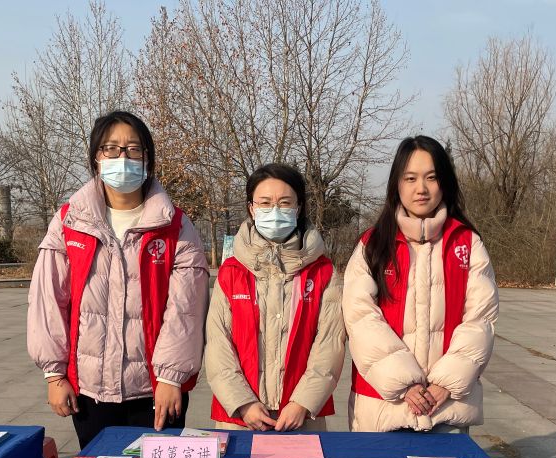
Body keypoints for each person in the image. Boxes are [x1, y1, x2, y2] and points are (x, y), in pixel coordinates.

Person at [28, 111, 209, 448]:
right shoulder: (70, 222)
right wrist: (54, 374)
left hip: (156, 390)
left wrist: (171, 378)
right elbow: (48, 301)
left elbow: (186, 309)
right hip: (89, 391)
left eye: (133, 149)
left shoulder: (174, 226)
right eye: (110, 148)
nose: (122, 157)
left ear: (147, 159)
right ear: (96, 158)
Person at [343, 135, 498, 432]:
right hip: (383, 406)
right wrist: (404, 383)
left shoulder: (467, 243)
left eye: (431, 177)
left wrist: (445, 383)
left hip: (447, 407)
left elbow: (481, 319)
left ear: (445, 182)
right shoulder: (373, 245)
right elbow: (359, 317)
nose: (421, 188)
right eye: (410, 178)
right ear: (396, 184)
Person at [205, 163, 344, 431]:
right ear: (251, 208)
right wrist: (243, 403)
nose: (275, 211)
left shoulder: (322, 273)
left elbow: (330, 344)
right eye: (265, 203)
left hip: (301, 418)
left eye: (285, 203)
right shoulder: (231, 272)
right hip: (240, 418)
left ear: (299, 207)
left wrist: (302, 402)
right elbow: (217, 343)